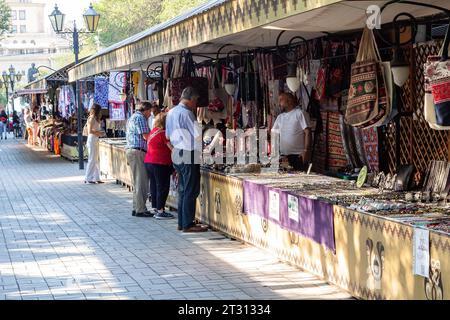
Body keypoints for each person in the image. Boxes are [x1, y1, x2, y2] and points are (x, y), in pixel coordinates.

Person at [166, 87, 207, 233]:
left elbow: (168, 135)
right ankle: (188, 223)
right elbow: (197, 135)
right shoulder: (187, 113)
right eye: (196, 100)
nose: (196, 104)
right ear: (190, 99)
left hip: (177, 152)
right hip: (188, 153)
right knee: (190, 189)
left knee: (183, 188)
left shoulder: (171, 112)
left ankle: (182, 222)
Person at [144, 113, 175, 220]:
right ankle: (160, 211)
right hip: (160, 163)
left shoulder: (154, 131)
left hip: (149, 161)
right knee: (162, 186)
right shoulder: (163, 133)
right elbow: (171, 148)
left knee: (154, 185)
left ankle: (156, 208)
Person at [272, 92, 312, 171]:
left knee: (299, 180)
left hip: (298, 156)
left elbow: (308, 132)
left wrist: (306, 151)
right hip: (284, 157)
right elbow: (274, 135)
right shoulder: (280, 117)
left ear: (289, 101)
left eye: (281, 100)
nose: (279, 103)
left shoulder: (300, 113)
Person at [126, 101, 153, 218]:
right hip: (138, 152)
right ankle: (140, 209)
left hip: (133, 151)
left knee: (137, 181)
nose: (150, 115)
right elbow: (146, 136)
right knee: (141, 181)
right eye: (150, 112)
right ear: (146, 110)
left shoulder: (133, 117)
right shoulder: (140, 118)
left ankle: (136, 207)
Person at [85, 104, 105, 184]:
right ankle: (88, 178)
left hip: (95, 139)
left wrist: (99, 134)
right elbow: (89, 131)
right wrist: (99, 133)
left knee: (96, 159)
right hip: (92, 139)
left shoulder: (95, 118)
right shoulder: (92, 118)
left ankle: (96, 178)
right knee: (92, 159)